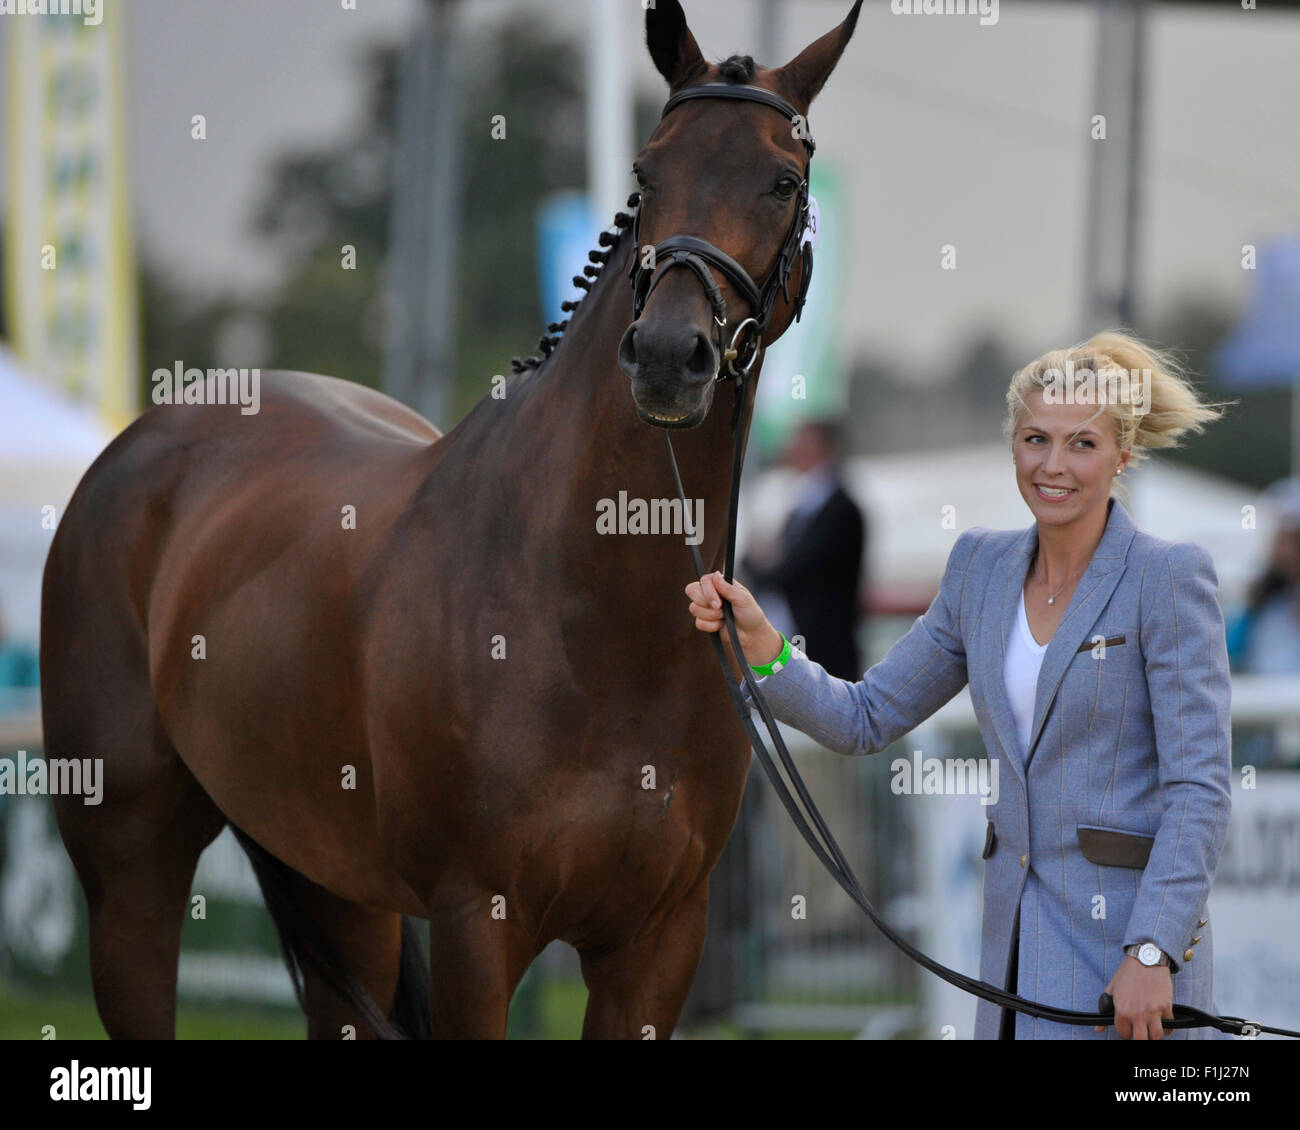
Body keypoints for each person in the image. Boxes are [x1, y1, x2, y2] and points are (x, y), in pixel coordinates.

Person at [685, 330, 1233, 1040]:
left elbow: (1201, 786)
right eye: (1036, 439)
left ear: (1122, 456)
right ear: (1013, 446)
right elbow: (866, 716)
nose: (1054, 465)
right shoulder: (980, 567)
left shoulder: (1169, 576)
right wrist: (764, 652)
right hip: (1008, 965)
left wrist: (1153, 948)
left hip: (1132, 968)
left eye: (1082, 444)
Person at [741, 419, 866, 681]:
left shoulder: (841, 509)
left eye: (804, 444)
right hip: (805, 644)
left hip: (828, 651)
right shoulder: (802, 506)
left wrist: (757, 564)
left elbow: (796, 568)